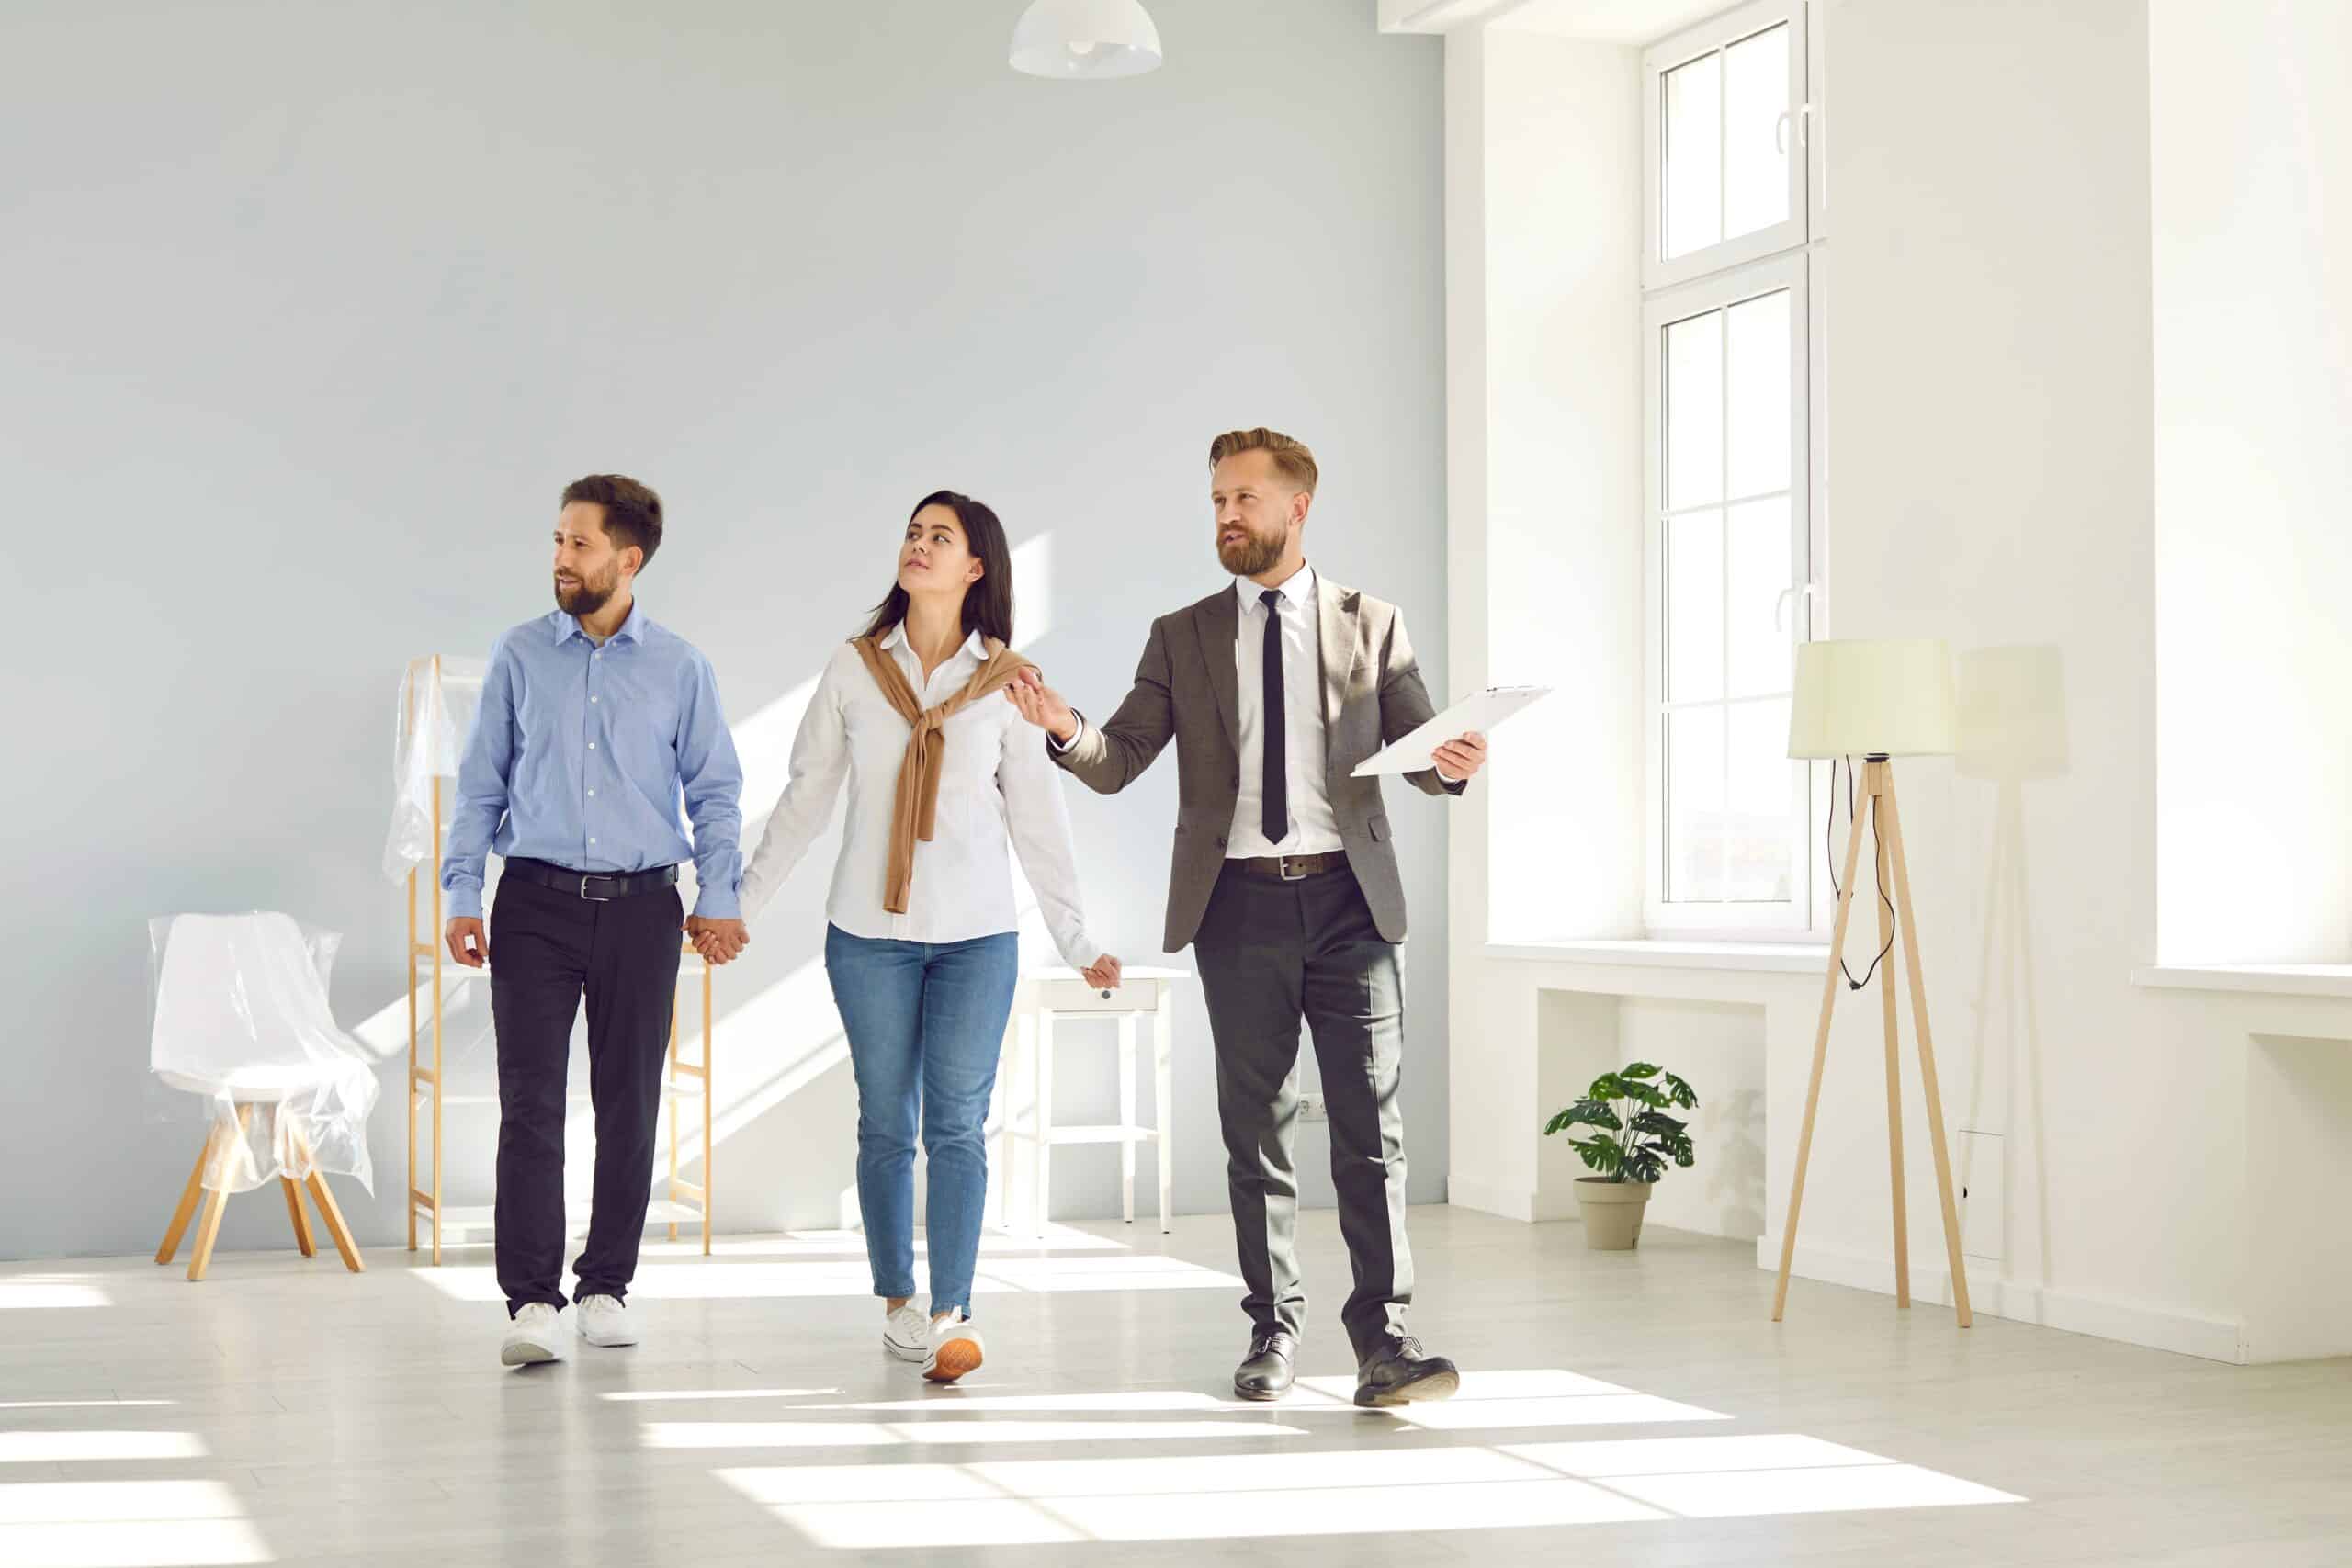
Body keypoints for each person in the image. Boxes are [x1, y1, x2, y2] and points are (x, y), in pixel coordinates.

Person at [1007, 428, 1487, 1408]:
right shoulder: (1181, 635)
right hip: (1236, 906)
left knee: (1370, 1129)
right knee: (1255, 1129)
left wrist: (1452, 764)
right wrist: (1064, 727)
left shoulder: (1372, 624)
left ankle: (1383, 1340)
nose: (1226, 516)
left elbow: (1421, 750)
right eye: (1218, 501)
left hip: (1352, 903)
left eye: (1243, 499)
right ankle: (1273, 1331)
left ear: (1296, 507)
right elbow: (1121, 757)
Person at [739, 491, 1117, 1383]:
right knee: (886, 1121)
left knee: (957, 1125)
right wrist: (739, 907)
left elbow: (1038, 822)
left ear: (974, 567)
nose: (918, 545)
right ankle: (898, 1303)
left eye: (938, 537)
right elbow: (805, 797)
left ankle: (952, 1313)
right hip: (867, 934)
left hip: (976, 939)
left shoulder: (1010, 683)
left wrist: (1076, 940)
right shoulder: (855, 667)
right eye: (913, 532)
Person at [442, 474, 748, 1369]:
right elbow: (480, 785)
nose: (561, 558)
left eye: (579, 543)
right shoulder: (518, 655)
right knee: (530, 1106)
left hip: (643, 909)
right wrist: (462, 893)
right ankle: (532, 1301)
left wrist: (719, 893)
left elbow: (716, 791)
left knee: (630, 1105)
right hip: (532, 904)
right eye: (557, 540)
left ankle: (605, 1285)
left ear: (628, 558)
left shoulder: (681, 667)